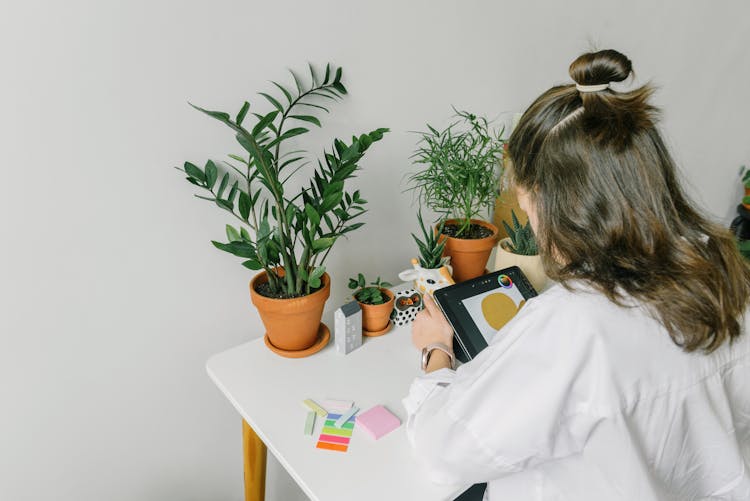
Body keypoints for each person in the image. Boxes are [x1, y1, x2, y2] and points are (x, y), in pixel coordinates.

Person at [403, 49, 750, 501]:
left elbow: (442, 452)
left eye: (525, 202)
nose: (527, 219)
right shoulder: (727, 275)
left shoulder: (576, 325)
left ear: (553, 201)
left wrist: (434, 351)